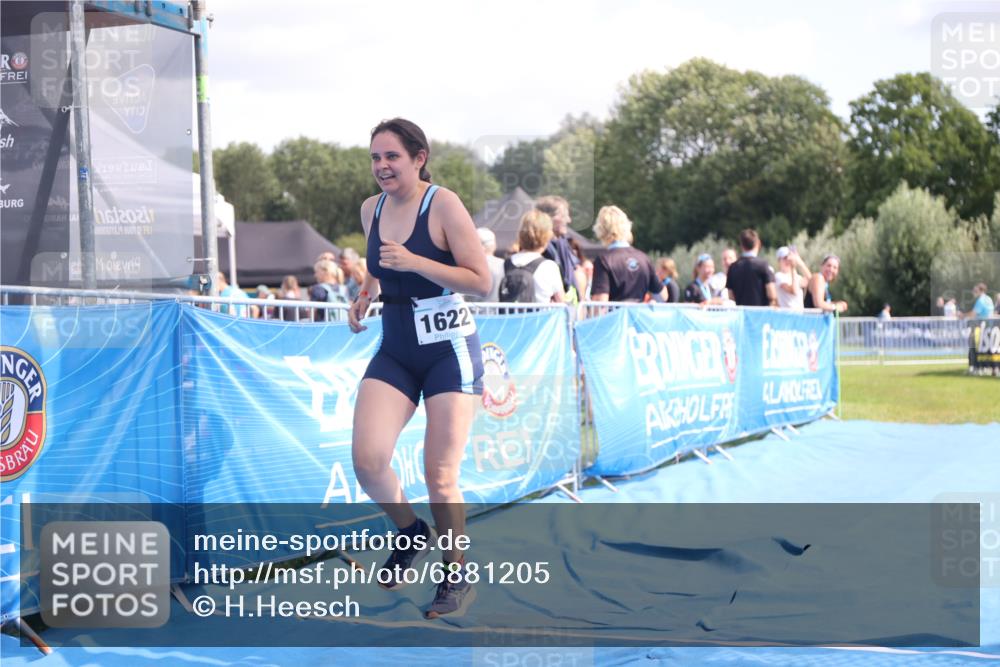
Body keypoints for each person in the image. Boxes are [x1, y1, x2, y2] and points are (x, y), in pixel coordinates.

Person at [347, 118, 490, 619]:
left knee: (441, 475)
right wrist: (366, 293)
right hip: (398, 347)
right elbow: (379, 263)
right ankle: (411, 532)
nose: (381, 167)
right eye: (374, 158)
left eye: (392, 157)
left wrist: (416, 262)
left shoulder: (443, 204)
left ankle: (456, 574)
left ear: (418, 157)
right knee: (367, 460)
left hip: (448, 350)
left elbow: (482, 280)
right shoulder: (372, 208)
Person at [590, 206, 666, 303]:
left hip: (615, 317)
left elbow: (600, 304)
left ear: (601, 229)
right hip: (638, 317)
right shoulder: (643, 258)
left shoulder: (604, 261)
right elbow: (662, 296)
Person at [500, 210, 565, 303]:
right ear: (547, 236)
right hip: (540, 317)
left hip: (509, 317)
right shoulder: (549, 266)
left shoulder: (505, 264)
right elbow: (561, 302)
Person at [535, 195, 587, 302]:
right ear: (547, 218)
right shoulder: (538, 248)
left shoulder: (563, 243)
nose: (568, 220)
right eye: (563, 216)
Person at [726, 229, 776, 307]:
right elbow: (771, 294)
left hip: (742, 315)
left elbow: (731, 296)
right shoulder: (763, 265)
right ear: (758, 243)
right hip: (760, 315)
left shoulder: (733, 267)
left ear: (741, 245)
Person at [465, 227, 505, 302]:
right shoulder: (504, 265)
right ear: (494, 245)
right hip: (498, 312)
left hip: (473, 311)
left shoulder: (468, 265)